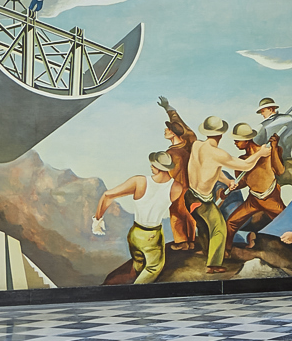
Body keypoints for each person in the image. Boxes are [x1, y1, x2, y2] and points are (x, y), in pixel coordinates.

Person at [185, 116, 263, 273]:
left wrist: (227, 182)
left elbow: (211, 169)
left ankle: (207, 252)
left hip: (190, 197)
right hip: (202, 201)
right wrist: (260, 153)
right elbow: (246, 165)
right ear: (220, 134)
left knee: (203, 225)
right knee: (219, 228)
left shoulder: (197, 146)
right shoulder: (218, 154)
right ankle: (213, 265)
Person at [94, 150, 177, 284]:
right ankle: (136, 289)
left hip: (135, 234)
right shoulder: (176, 187)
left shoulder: (139, 182)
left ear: (160, 168)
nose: (151, 166)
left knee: (139, 263)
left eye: (153, 164)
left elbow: (107, 195)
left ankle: (135, 284)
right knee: (153, 268)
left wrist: (98, 219)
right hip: (152, 235)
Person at [224, 122, 288, 238]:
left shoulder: (270, 150)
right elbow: (243, 182)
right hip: (253, 200)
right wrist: (233, 186)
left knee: (288, 224)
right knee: (230, 223)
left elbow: (280, 171)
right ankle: (226, 252)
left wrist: (274, 147)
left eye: (237, 140)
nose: (235, 143)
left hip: (271, 198)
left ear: (246, 140)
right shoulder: (242, 160)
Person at [254, 83, 292, 191]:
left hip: (273, 170)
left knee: (265, 197)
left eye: (263, 111)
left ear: (270, 109)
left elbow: (253, 148)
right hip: (290, 167)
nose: (262, 114)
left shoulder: (262, 127)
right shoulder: (288, 119)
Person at [157, 98, 198, 249]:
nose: (165, 130)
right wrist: (169, 110)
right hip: (191, 187)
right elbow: (183, 126)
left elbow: (170, 174)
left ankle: (181, 242)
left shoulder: (172, 153)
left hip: (177, 187)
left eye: (168, 129)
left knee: (175, 213)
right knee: (188, 213)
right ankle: (191, 241)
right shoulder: (189, 144)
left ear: (174, 133)